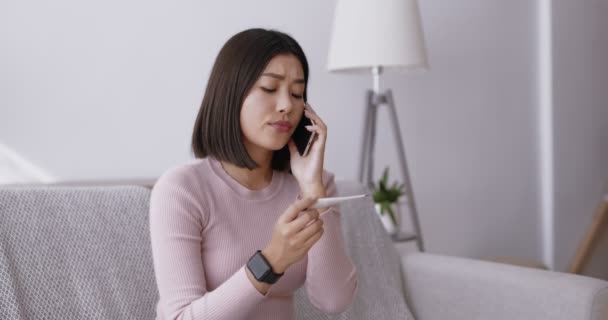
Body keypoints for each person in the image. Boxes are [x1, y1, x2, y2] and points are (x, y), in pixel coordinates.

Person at [149, 28, 358, 320]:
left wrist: (313, 190)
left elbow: (334, 300)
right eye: (270, 88)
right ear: (232, 94)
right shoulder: (182, 189)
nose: (287, 105)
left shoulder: (316, 187)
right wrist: (272, 260)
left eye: (297, 93)